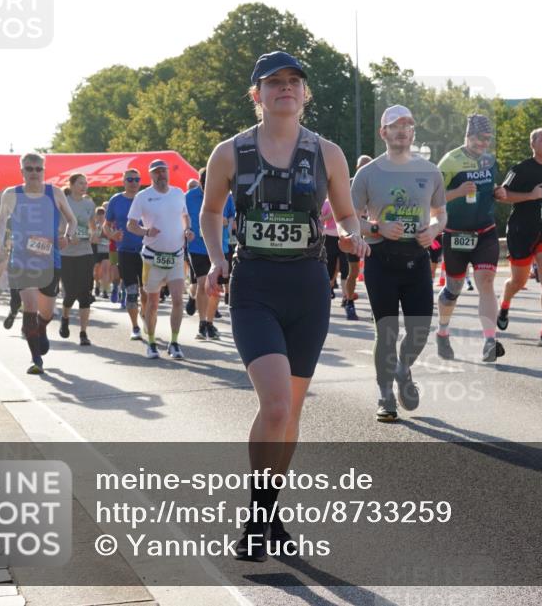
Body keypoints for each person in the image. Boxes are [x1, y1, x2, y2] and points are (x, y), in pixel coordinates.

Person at [200, 51, 367, 560]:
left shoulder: (327, 153)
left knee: (289, 413)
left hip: (308, 287)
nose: (286, 89)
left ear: (304, 93)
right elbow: (210, 212)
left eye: (294, 82)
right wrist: (214, 259)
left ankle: (269, 512)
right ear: (258, 94)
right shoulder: (230, 153)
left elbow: (346, 214)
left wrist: (354, 237)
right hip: (253, 286)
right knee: (274, 405)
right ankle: (255, 519)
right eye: (274, 83)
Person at [353, 105, 446, 421]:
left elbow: (441, 213)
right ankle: (385, 396)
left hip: (417, 260)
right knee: (387, 331)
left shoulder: (430, 171)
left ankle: (403, 369)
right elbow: (348, 219)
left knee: (419, 331)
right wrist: (376, 228)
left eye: (407, 124)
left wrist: (433, 229)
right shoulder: (367, 174)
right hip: (381, 261)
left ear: (413, 132)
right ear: (384, 133)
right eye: (395, 125)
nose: (402, 130)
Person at [0, 153, 77, 374]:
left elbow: (72, 220)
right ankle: (36, 359)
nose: (34, 173)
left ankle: (41, 329)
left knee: (46, 313)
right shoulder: (11, 194)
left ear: (44, 170)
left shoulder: (55, 192)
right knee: (29, 308)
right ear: (22, 171)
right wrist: (0, 243)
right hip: (21, 258)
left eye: (38, 169)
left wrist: (67, 236)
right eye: (29, 169)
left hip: (50, 259)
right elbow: (1, 219)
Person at [435, 114, 507, 362]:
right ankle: (443, 332)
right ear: (468, 136)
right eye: (479, 138)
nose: (483, 144)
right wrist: (457, 191)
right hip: (455, 234)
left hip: (485, 231)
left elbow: (493, 187)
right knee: (453, 289)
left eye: (487, 139)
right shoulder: (450, 161)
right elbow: (433, 199)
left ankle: (489, 341)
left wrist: (499, 192)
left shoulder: (489, 160)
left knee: (485, 282)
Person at [497, 129, 542, 347]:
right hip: (522, 231)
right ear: (532, 144)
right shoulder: (521, 169)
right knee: (518, 281)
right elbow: (503, 195)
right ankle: (505, 304)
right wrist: (530, 196)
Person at [127, 159, 194, 359]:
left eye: (163, 171)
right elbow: (131, 225)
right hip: (152, 258)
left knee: (177, 301)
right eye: (156, 172)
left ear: (168, 173)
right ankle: (152, 343)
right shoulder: (143, 196)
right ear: (151, 175)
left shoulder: (178, 193)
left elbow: (185, 216)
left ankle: (174, 343)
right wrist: (146, 231)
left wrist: (188, 229)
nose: (161, 175)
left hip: (176, 255)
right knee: (152, 303)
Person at [186, 167, 235, 340]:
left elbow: (232, 217)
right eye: (204, 184)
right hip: (197, 246)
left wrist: (226, 222)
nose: (207, 187)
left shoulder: (226, 195)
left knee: (216, 287)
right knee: (201, 283)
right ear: (199, 181)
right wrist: (186, 230)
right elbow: (182, 217)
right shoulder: (189, 197)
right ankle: (201, 323)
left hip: (219, 247)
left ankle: (210, 323)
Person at [104, 169, 146, 340]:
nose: (134, 182)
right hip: (125, 251)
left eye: (137, 179)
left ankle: (146, 315)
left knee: (147, 292)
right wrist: (111, 235)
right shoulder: (116, 200)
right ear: (123, 181)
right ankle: (135, 326)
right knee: (132, 291)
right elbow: (106, 225)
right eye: (130, 179)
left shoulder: (146, 198)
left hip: (147, 251)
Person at [58, 174, 97, 346]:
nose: (84, 186)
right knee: (70, 293)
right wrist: (66, 236)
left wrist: (93, 235)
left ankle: (83, 333)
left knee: (85, 294)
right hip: (67, 254)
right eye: (80, 183)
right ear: (72, 185)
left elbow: (92, 227)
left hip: (85, 252)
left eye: (86, 183)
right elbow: (56, 226)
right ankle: (65, 317)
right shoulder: (62, 201)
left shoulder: (89, 204)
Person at [339, 154, 373, 320]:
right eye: (362, 167)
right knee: (354, 271)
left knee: (372, 272)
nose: (365, 170)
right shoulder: (350, 184)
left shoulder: (377, 183)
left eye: (369, 166)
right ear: (357, 168)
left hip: (373, 232)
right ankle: (350, 302)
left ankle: (377, 306)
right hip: (354, 232)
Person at [92, 206, 111, 298]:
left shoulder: (108, 224)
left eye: (102, 214)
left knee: (105, 270)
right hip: (96, 250)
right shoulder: (93, 225)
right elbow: (92, 238)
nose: (100, 216)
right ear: (96, 215)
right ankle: (97, 284)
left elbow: (111, 236)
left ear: (105, 214)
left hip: (106, 250)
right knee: (97, 271)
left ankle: (105, 291)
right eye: (98, 214)